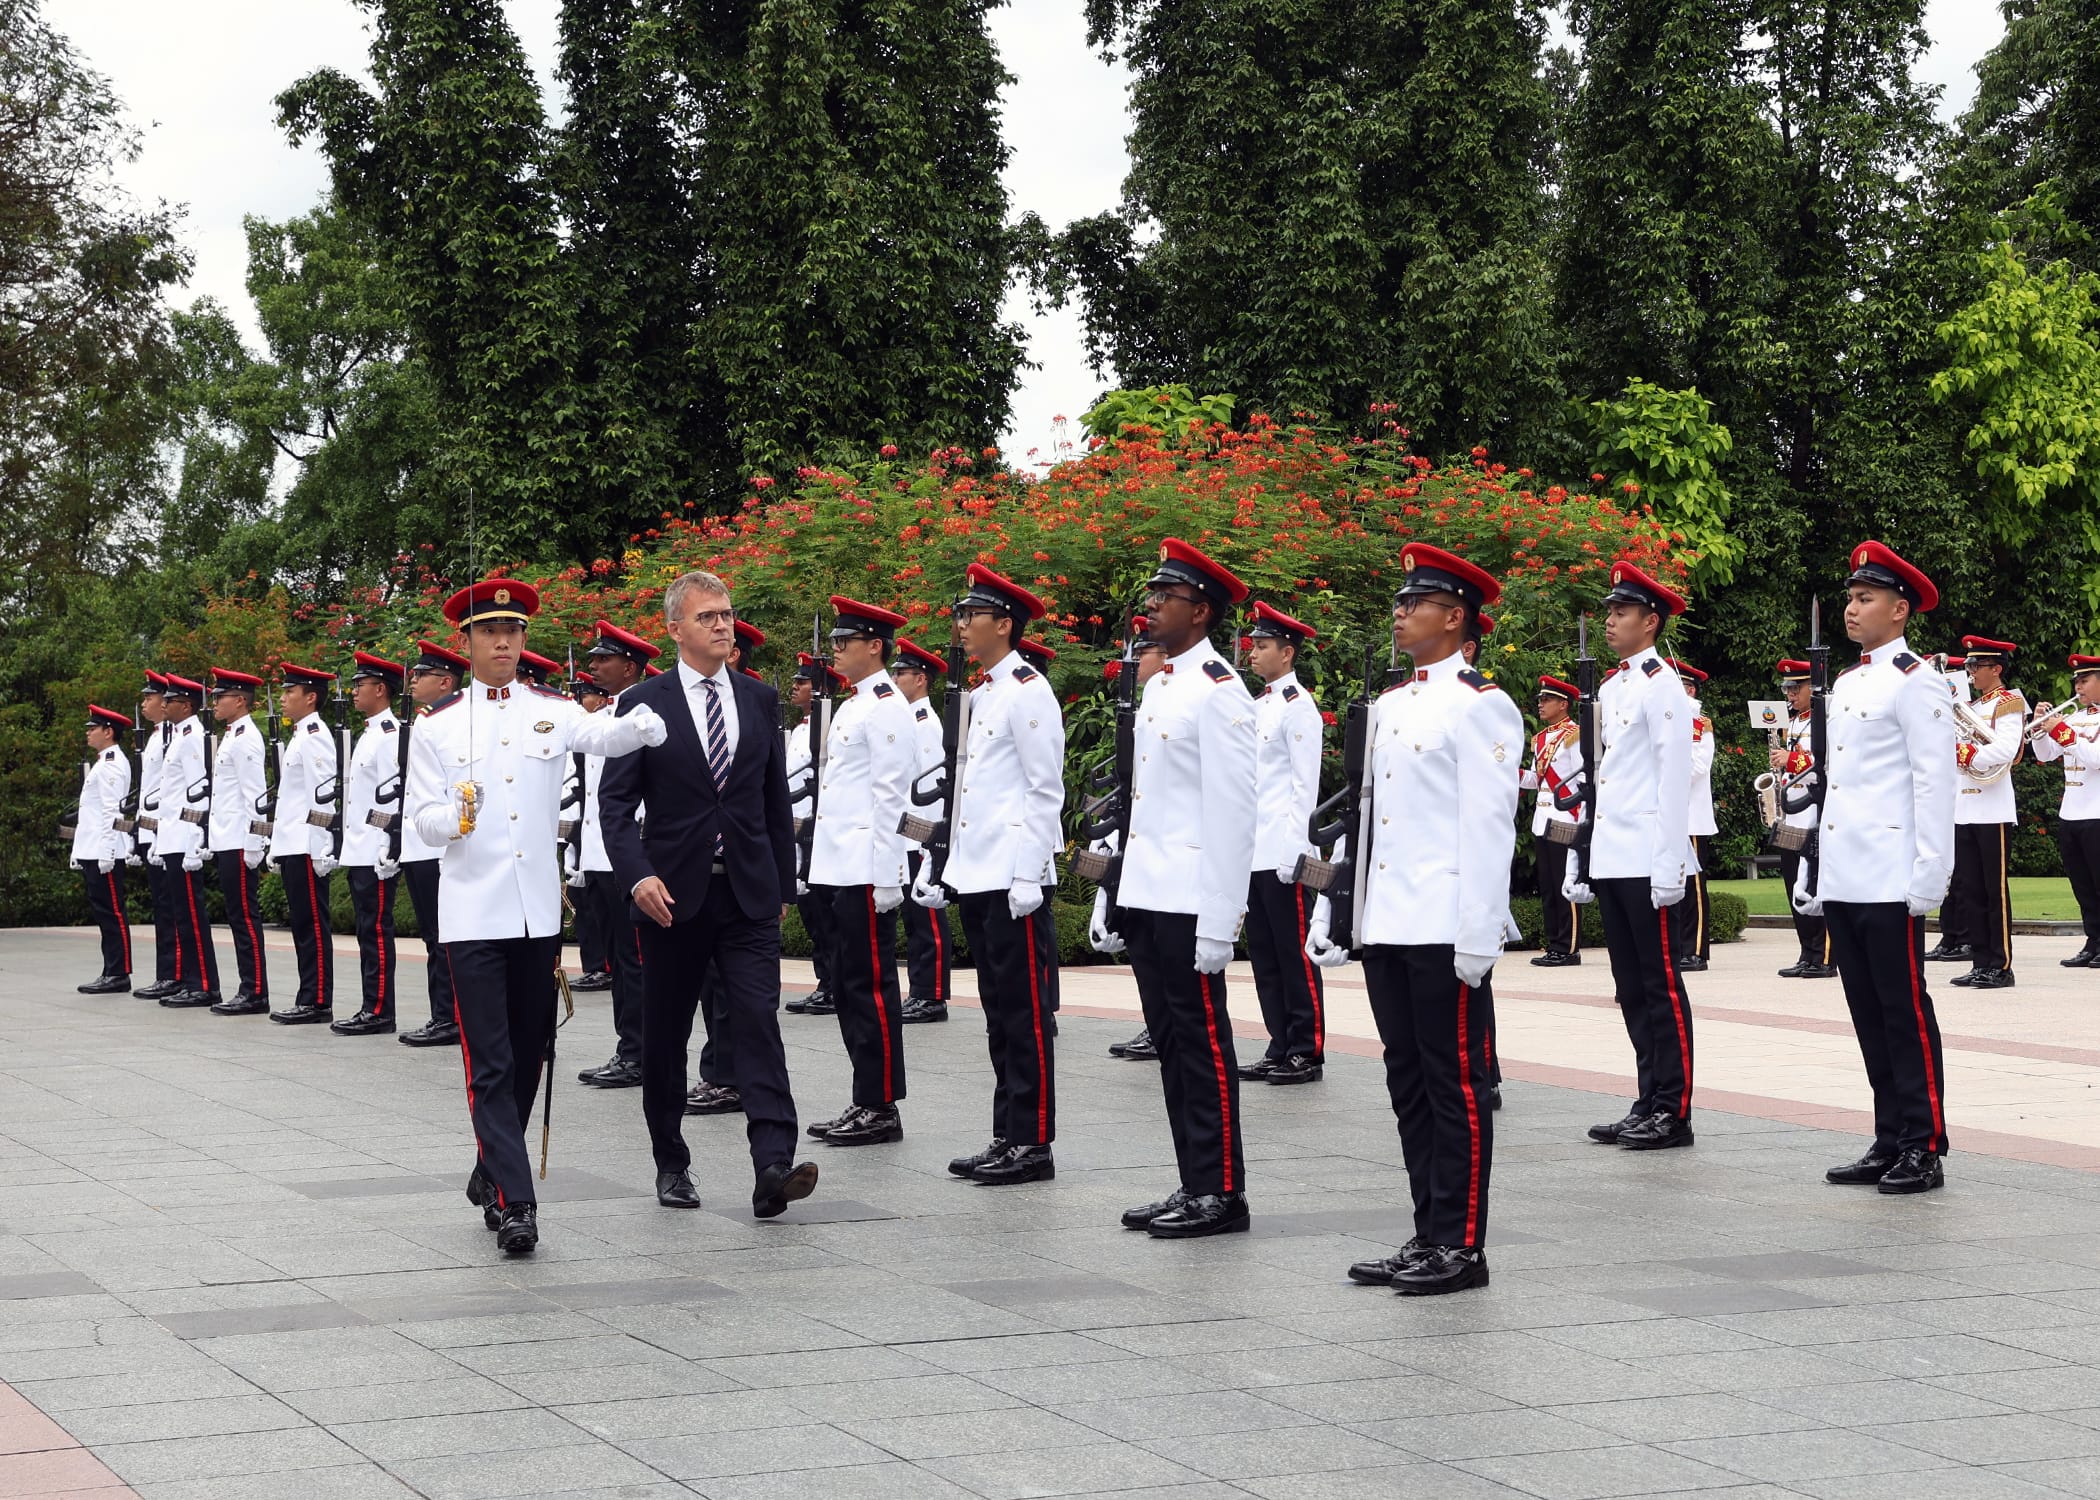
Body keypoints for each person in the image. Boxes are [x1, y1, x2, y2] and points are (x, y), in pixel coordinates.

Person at [409, 577, 668, 1253]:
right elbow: (422, 820)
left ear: (524, 640)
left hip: (534, 914)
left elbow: (604, 735)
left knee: (532, 1053)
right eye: (489, 632)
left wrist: (641, 722)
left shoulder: (548, 710)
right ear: (465, 643)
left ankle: (492, 1164)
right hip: (471, 914)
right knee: (490, 1061)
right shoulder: (435, 727)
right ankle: (515, 1200)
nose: (502, 642)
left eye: (513, 632)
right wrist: (452, 818)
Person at [1308, 543, 1521, 1295]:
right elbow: (1366, 822)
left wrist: (1480, 931)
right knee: (1407, 1082)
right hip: (1390, 920)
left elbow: (1490, 827)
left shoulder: (1482, 703)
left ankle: (1461, 1245)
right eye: (1399, 601)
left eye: (1415, 602)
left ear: (1455, 616)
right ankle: (1427, 1232)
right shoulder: (1391, 707)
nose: (1399, 612)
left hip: (1443, 921)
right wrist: (1340, 907)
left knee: (1453, 1084)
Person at [595, 570, 818, 1218]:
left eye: (726, 614)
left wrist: (781, 879)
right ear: (675, 630)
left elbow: (773, 800)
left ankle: (773, 1165)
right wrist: (637, 877)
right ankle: (672, 1161)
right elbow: (614, 807)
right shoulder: (643, 704)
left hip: (746, 897)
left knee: (757, 1024)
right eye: (707, 617)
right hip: (672, 901)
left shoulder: (757, 699)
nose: (723, 625)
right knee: (665, 1038)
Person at [1795, 541, 1953, 1193]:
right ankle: (1889, 1135)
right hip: (1848, 874)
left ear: (1900, 608)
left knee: (1902, 1009)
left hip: (1891, 874)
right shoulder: (1852, 681)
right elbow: (1839, 786)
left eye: (1865, 599)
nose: (1851, 609)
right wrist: (1817, 871)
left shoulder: (1921, 682)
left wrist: (1929, 876)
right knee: (1866, 1010)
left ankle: (1923, 1141)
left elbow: (1933, 784)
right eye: (1850, 598)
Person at [1112, 539, 1257, 1239]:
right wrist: (1122, 895)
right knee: (1172, 1046)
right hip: (1152, 894)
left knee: (1202, 1047)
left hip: (1192, 901)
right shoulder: (1162, 683)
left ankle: (1222, 1191)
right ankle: (1193, 1178)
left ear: (1199, 611)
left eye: (1164, 598)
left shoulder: (1221, 692)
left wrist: (1219, 922)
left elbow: (1232, 815)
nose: (1151, 607)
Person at [913, 567, 1067, 1185]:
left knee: (1027, 1015)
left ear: (1004, 624)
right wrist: (950, 867)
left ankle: (1032, 1143)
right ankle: (1008, 1132)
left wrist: (1029, 874)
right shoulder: (987, 692)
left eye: (971, 614)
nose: (960, 624)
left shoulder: (1029, 690)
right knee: (1000, 1013)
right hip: (981, 875)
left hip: (1013, 879)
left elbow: (1043, 788)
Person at [1572, 561, 1696, 1151]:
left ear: (1650, 622)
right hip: (1616, 853)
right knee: (1629, 984)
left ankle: (1673, 1109)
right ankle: (1647, 1098)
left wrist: (1671, 861)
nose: (1610, 622)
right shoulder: (1616, 686)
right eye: (1609, 612)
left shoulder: (1663, 686)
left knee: (1659, 984)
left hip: (1648, 857)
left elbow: (1674, 779)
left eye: (1621, 613)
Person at [802, 597, 917, 1146]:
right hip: (839, 865)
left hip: (867, 869)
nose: (836, 650)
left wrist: (890, 873)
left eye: (846, 641)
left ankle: (881, 1105)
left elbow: (891, 796)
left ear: (875, 645)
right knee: (849, 987)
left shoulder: (887, 706)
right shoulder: (853, 704)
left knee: (870, 988)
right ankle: (864, 1096)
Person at [1239, 602, 1326, 1086]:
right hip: (1253, 849)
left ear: (1287, 653)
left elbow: (1303, 785)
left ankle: (1306, 1049)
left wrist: (1296, 851)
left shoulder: (1299, 707)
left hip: (1283, 850)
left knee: (1294, 955)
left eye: (1263, 645)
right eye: (1254, 644)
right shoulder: (1258, 706)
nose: (1253, 652)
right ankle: (1279, 1042)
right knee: (1266, 956)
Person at [574, 619, 660, 1089]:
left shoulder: (644, 716)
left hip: (628, 858)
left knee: (634, 963)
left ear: (629, 667)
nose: (593, 666)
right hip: (601, 856)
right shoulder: (606, 717)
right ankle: (628, 1047)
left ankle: (638, 1052)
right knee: (618, 960)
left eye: (603, 659)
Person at [1102, 618, 1169, 1063]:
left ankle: (1299, 1045)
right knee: (1145, 953)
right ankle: (1156, 1025)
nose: (1133, 661)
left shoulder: (1191, 694)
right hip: (1142, 841)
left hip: (1170, 849)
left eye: (1141, 651)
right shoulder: (1148, 699)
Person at [398, 641, 469, 1047]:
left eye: (421, 675)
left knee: (447, 937)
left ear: (444, 680)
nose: (413, 681)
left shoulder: (454, 723)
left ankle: (453, 1017)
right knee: (432, 937)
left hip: (441, 846)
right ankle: (442, 1014)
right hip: (419, 844)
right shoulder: (425, 721)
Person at [334, 652, 407, 1035]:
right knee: (367, 929)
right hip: (360, 846)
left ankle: (379, 1010)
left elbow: (393, 796)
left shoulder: (391, 734)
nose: (354, 691)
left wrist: (389, 844)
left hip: (375, 848)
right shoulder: (369, 733)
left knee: (376, 929)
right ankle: (371, 1004)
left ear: (381, 689)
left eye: (360, 685)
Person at [1949, 636, 2026, 989]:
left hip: (1992, 808)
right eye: (1968, 666)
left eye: (1976, 666)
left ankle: (2001, 964)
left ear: (1996, 669)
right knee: (1969, 890)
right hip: (1964, 807)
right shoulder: (1970, 706)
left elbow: (2009, 749)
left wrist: (1969, 756)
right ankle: (1981, 961)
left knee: (1994, 891)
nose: (1970, 672)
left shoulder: (2009, 702)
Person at [269, 663, 342, 1024]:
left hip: (307, 844)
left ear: (310, 697)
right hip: (292, 843)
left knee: (312, 924)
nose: (282, 699)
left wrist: (321, 847)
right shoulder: (300, 735)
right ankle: (307, 994)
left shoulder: (315, 735)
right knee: (302, 924)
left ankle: (317, 1000)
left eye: (289, 692)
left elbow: (322, 797)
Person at [892, 638, 957, 1026]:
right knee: (915, 918)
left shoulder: (926, 724)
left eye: (901, 673)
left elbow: (935, 786)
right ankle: (919, 990)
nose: (894, 678)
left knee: (927, 918)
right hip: (909, 834)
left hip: (922, 836)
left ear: (920, 679)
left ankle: (931, 996)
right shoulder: (907, 721)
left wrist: (932, 844)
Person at [153, 674, 222, 1009]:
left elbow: (199, 792)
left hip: (184, 838)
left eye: (170, 700)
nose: (164, 705)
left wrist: (196, 838)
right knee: (182, 914)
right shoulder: (180, 735)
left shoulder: (193, 736)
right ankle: (191, 980)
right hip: (171, 836)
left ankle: (204, 984)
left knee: (192, 915)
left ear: (187, 705)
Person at [205, 669, 271, 1014]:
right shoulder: (233, 735)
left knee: (245, 917)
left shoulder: (246, 738)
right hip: (226, 838)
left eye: (221, 697)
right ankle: (249, 986)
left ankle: (255, 991)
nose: (215, 702)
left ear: (240, 701)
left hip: (239, 840)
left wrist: (254, 844)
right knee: (236, 916)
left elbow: (254, 795)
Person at [783, 654, 843, 1016]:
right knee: (812, 914)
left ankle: (835, 984)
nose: (795, 687)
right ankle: (825, 981)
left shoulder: (830, 725)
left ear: (821, 688)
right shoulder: (802, 727)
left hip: (818, 832)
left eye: (802, 682)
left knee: (826, 914)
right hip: (797, 830)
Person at [2034, 656, 2100, 966]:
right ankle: (2093, 941)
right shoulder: (2074, 717)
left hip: (2097, 812)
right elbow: (2046, 755)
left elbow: (2094, 758)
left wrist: (2061, 730)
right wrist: (2040, 729)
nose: (2077, 687)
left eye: (2085, 680)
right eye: (2076, 681)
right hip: (2071, 812)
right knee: (2082, 885)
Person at [1772, 659, 1835, 978]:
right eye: (1787, 688)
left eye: (1796, 687)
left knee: (1814, 880)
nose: (1791, 694)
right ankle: (1806, 951)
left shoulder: (1827, 719)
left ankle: (1823, 955)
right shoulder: (1794, 722)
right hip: (1791, 812)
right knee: (1791, 879)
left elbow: (1828, 762)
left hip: (1814, 811)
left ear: (1813, 686)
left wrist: (1792, 760)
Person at [72, 704, 135, 993]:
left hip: (103, 851)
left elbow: (113, 813)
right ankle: (111, 969)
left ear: (108, 732)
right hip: (93, 849)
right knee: (103, 911)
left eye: (93, 728)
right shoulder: (103, 761)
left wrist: (109, 853)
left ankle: (119, 972)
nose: (88, 733)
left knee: (112, 912)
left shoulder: (111, 764)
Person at [1523, 675, 1585, 967]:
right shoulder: (1541, 739)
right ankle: (1553, 944)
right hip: (1543, 816)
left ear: (1564, 704)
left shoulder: (1574, 734)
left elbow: (1581, 779)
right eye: (1540, 700)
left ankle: (1568, 946)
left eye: (1546, 700)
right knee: (1547, 884)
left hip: (1565, 817)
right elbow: (1539, 780)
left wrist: (1578, 816)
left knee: (1564, 881)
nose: (1541, 704)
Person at [133, 673, 181, 1001]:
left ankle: (174, 973)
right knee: (162, 905)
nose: (145, 703)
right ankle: (166, 972)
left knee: (170, 905)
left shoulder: (171, 735)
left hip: (166, 829)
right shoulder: (156, 736)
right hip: (152, 828)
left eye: (150, 697)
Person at [1673, 660, 1716, 972]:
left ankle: (1696, 949)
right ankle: (1679, 946)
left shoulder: (1700, 725)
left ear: (1690, 690)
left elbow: (1698, 767)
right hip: (1668, 816)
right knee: (1672, 883)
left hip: (1690, 816)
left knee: (1693, 887)